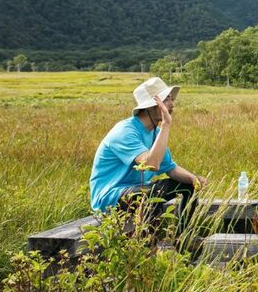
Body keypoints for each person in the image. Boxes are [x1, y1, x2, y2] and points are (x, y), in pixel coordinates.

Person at [89, 77, 207, 229]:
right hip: (109, 198)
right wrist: (166, 125)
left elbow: (171, 169)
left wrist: (193, 178)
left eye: (171, 99)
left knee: (187, 185)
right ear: (151, 106)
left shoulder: (154, 133)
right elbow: (151, 165)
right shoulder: (125, 131)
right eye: (166, 100)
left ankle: (184, 237)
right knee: (152, 193)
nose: (172, 104)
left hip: (138, 192)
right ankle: (146, 239)